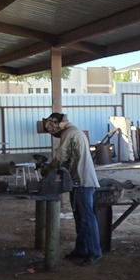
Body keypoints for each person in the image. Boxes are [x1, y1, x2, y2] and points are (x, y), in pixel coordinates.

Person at [43, 112, 103, 267]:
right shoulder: (74, 131)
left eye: (53, 128)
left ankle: (94, 252)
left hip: (82, 181)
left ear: (59, 124)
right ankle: (82, 249)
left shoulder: (69, 133)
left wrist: (48, 167)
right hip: (79, 180)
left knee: (86, 218)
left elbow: (61, 157)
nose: (53, 132)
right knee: (80, 217)